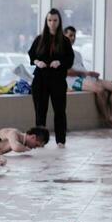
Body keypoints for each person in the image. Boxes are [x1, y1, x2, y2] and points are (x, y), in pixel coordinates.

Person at [29, 8, 75, 147]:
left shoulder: (65, 41)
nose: (52, 23)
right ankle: (39, 140)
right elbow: (32, 55)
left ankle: (60, 140)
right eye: (49, 20)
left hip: (57, 80)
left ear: (59, 21)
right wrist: (37, 62)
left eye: (55, 20)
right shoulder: (40, 39)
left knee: (60, 110)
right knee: (40, 111)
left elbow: (70, 59)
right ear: (46, 21)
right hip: (40, 80)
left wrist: (59, 62)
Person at [64, 26, 112, 128]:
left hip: (84, 77)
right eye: (70, 35)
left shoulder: (77, 54)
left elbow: (81, 69)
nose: (72, 38)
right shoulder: (60, 53)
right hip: (73, 80)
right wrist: (85, 74)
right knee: (99, 90)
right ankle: (107, 119)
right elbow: (65, 71)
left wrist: (90, 73)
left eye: (74, 36)